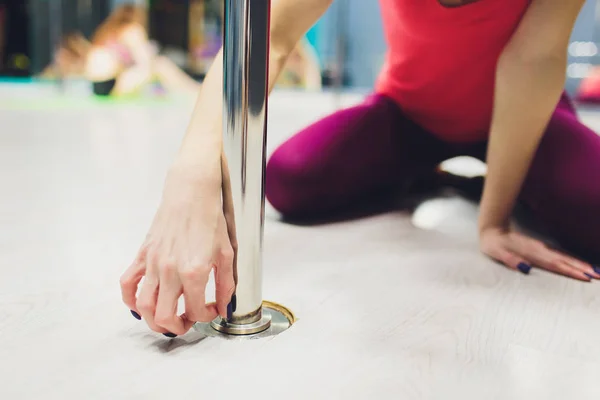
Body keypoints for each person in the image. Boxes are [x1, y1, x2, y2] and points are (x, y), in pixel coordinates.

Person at [120, 0, 600, 337]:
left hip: (524, 119)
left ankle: (485, 180)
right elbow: (271, 33)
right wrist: (189, 181)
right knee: (293, 179)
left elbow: (531, 59)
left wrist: (494, 220)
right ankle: (429, 174)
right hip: (410, 114)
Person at [42, 4, 200, 96]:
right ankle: (196, 91)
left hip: (98, 85)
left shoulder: (109, 32)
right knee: (161, 64)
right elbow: (146, 62)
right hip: (112, 82)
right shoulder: (132, 30)